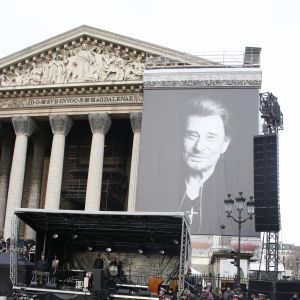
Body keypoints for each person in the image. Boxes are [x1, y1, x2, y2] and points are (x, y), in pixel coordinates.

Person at [179, 98, 231, 233]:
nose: (199, 147)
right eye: (191, 136)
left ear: (225, 143)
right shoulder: (161, 189)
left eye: (211, 137)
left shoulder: (231, 197)